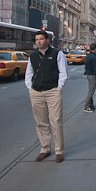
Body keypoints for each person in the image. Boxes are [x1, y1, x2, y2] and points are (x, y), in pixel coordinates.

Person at [25, 31, 68, 162]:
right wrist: (30, 88)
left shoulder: (57, 54)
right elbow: (29, 73)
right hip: (36, 92)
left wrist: (58, 87)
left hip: (52, 91)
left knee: (55, 121)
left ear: (47, 40)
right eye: (37, 39)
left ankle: (59, 151)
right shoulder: (32, 56)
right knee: (41, 123)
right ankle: (45, 149)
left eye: (41, 39)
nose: (39, 41)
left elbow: (63, 72)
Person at [83, 43, 96, 113]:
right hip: (92, 75)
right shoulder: (94, 57)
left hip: (88, 74)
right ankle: (86, 106)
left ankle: (91, 105)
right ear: (95, 48)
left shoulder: (88, 56)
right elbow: (95, 67)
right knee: (91, 91)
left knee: (90, 90)